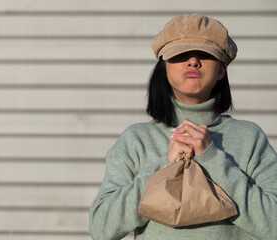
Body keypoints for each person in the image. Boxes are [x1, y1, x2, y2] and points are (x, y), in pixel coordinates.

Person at [89, 14, 277, 240]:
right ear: (164, 67)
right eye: (181, 54)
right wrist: (163, 167)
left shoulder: (249, 138)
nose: (193, 61)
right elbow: (101, 229)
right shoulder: (136, 139)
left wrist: (212, 159)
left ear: (221, 70)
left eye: (206, 54)